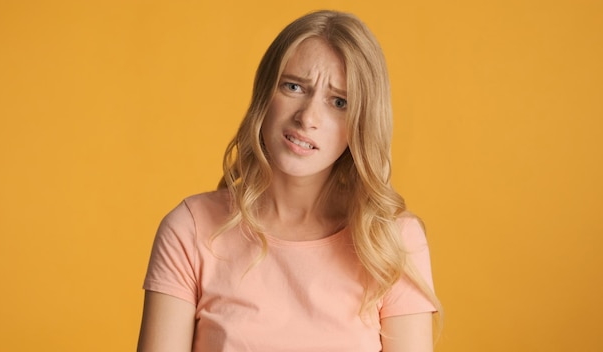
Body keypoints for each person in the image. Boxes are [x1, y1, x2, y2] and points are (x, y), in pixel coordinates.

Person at [137, 9, 442, 352]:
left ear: (361, 122)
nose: (307, 117)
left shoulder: (392, 241)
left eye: (339, 102)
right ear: (265, 92)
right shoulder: (191, 229)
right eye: (294, 86)